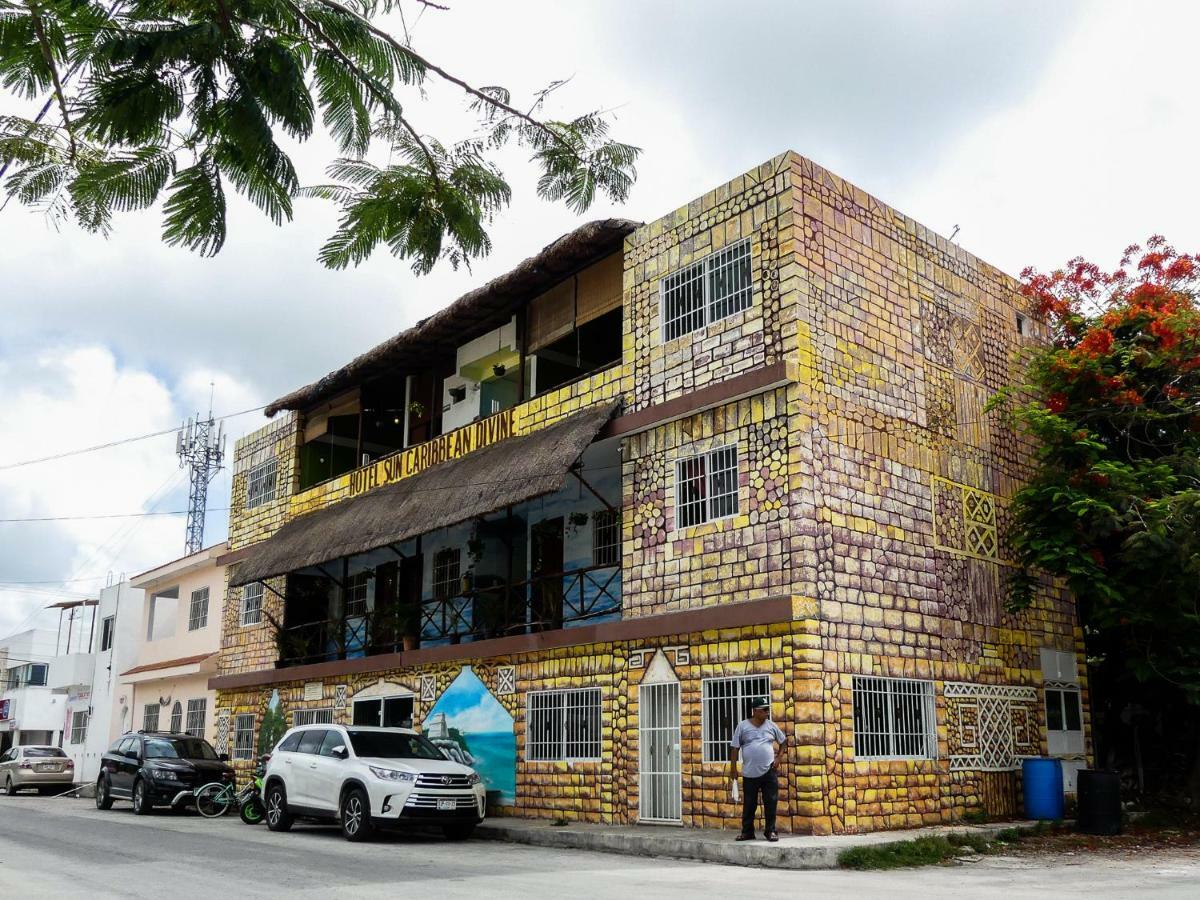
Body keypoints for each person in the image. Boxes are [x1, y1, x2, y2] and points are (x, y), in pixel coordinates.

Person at [728, 696, 786, 841]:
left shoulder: (771, 726)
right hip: (749, 773)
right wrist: (733, 768)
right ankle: (747, 832)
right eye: (764, 710)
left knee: (770, 802)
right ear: (754, 711)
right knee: (749, 804)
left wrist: (778, 758)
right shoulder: (742, 726)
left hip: (768, 771)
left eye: (768, 710)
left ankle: (770, 831)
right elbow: (735, 748)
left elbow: (784, 742)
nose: (767, 713)